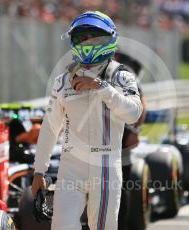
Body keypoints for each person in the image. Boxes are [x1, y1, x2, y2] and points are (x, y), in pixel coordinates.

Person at [31, 11, 142, 230]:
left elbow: (133, 114)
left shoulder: (122, 77)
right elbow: (50, 128)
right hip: (71, 167)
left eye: (93, 37)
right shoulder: (62, 82)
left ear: (109, 39)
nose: (87, 42)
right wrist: (39, 171)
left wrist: (100, 87)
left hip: (107, 166)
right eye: (82, 38)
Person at [114, 53, 147, 230]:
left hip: (119, 137)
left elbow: (141, 108)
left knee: (119, 185)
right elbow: (142, 107)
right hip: (117, 136)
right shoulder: (128, 75)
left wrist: (134, 130)